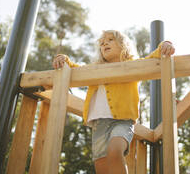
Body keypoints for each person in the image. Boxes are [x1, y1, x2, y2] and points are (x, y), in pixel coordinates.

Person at [52, 30, 175, 174]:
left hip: (122, 120)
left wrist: (164, 46)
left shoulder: (131, 65)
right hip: (99, 124)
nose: (105, 43)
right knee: (101, 166)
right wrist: (64, 60)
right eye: (102, 43)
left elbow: (151, 58)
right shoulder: (95, 69)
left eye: (110, 40)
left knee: (115, 151)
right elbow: (75, 69)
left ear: (123, 45)